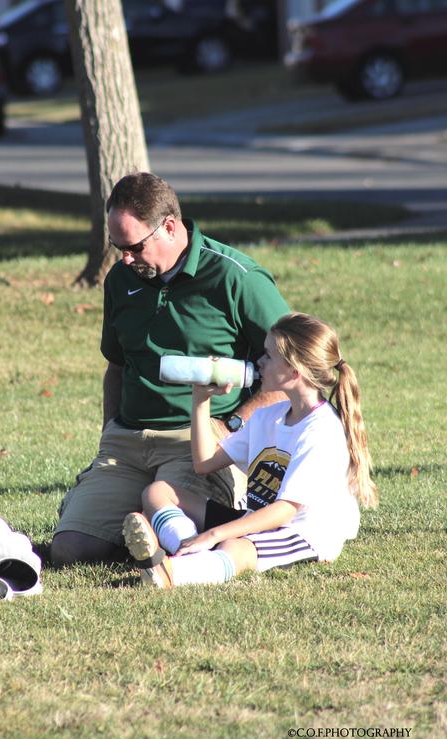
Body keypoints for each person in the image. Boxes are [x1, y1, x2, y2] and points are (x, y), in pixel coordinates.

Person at [51, 172, 290, 566]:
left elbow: (294, 369)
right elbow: (117, 366)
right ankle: (134, 529)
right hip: (126, 443)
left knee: (176, 532)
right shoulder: (120, 279)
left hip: (198, 443)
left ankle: (164, 539)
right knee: (70, 551)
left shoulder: (236, 277)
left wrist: (232, 426)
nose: (125, 258)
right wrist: (110, 431)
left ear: (169, 227)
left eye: (134, 247)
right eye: (117, 247)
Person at [122, 312, 378, 588]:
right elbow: (204, 462)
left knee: (235, 546)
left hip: (300, 532)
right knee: (157, 492)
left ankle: (173, 572)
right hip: (257, 519)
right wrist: (200, 399)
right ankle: (189, 549)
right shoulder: (269, 416)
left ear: (294, 371)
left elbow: (285, 512)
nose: (259, 362)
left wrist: (215, 533)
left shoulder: (321, 430)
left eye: (268, 356)